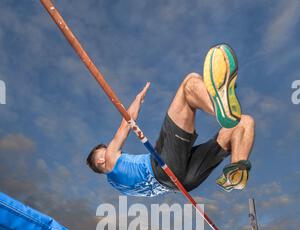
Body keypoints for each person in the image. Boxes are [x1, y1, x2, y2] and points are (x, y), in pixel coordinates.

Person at [86, 44, 255, 196]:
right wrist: (138, 99)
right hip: (162, 168)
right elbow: (126, 124)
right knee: (189, 84)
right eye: (105, 150)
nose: (112, 149)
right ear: (101, 160)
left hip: (180, 183)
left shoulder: (119, 187)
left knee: (244, 123)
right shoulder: (109, 160)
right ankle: (220, 107)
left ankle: (237, 171)